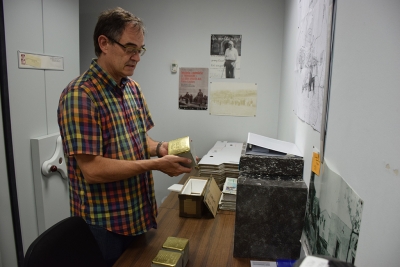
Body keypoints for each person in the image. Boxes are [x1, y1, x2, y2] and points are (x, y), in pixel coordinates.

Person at [57, 7, 192, 267]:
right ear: (104, 43)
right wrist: (155, 165)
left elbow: (140, 141)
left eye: (140, 50)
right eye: (130, 48)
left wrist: (163, 149)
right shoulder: (80, 95)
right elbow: (93, 170)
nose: (136, 57)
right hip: (104, 226)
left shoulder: (132, 89)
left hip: (137, 214)